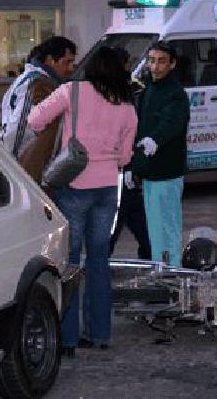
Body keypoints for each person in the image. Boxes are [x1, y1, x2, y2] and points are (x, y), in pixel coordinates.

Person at [28, 46, 138, 356]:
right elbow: (126, 156)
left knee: (70, 262)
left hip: (74, 185)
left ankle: (67, 339)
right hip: (107, 189)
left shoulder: (71, 92)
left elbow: (35, 121)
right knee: (99, 261)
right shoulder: (128, 106)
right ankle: (100, 334)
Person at [131, 43, 190, 266]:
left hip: (167, 172)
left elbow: (172, 122)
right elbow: (140, 130)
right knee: (156, 228)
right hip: (150, 172)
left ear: (172, 64)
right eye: (151, 60)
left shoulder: (175, 94)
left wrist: (156, 139)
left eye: (161, 60)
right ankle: (162, 269)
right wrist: (133, 166)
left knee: (167, 226)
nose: (155, 66)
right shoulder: (148, 90)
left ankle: (173, 272)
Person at [0, 36, 77, 161]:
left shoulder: (39, 80)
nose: (70, 68)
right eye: (66, 62)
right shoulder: (35, 84)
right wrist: (13, 167)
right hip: (24, 160)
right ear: (50, 60)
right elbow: (19, 129)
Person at [109, 46, 152, 260]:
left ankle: (148, 253)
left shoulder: (105, 89)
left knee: (128, 213)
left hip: (119, 165)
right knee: (125, 214)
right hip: (123, 164)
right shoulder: (131, 89)